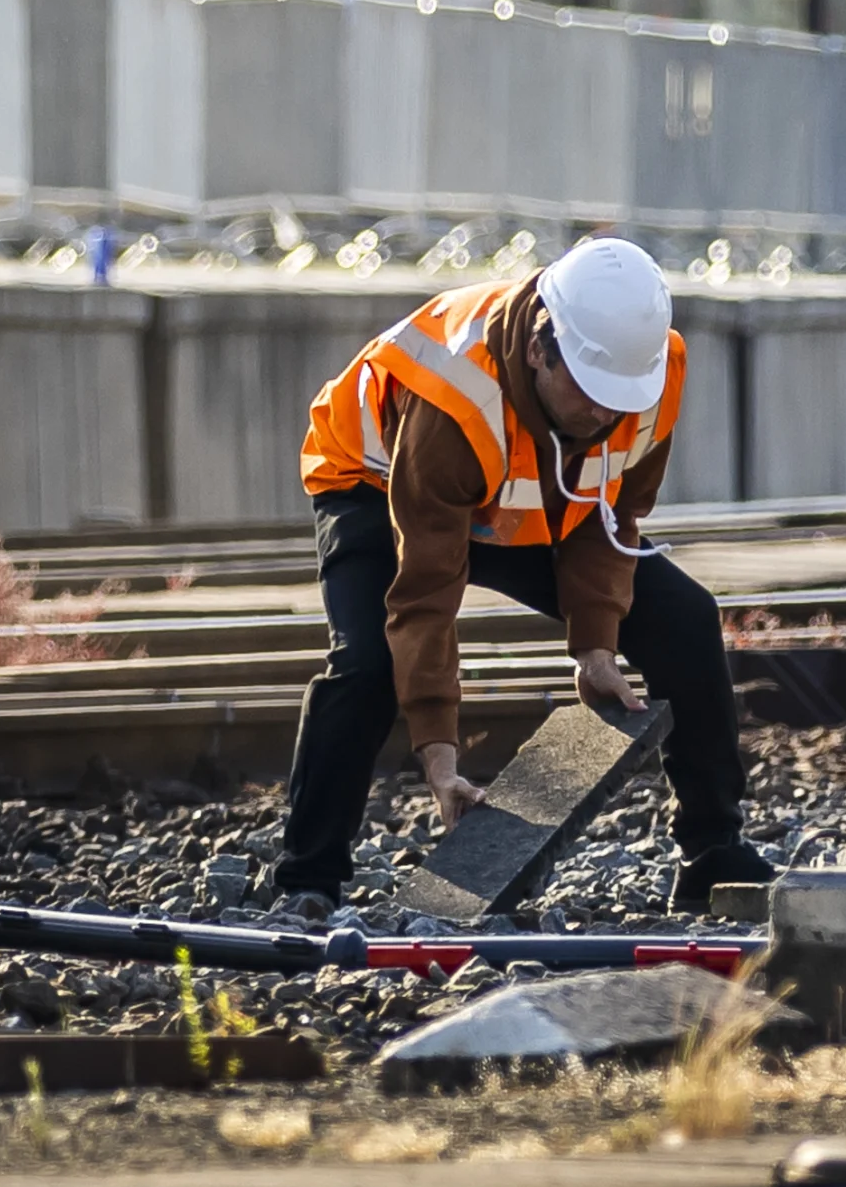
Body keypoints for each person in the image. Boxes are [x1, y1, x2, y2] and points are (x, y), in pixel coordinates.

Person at [269, 238, 769, 918]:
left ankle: (713, 850)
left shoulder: (646, 379)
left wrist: (595, 644)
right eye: (590, 395)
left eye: (615, 400)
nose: (603, 414)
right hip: (377, 478)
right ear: (539, 349)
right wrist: (442, 763)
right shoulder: (455, 402)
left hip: (525, 484)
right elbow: (425, 595)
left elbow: (610, 509)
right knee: (369, 664)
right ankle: (308, 876)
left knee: (683, 616)